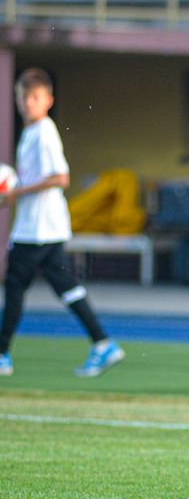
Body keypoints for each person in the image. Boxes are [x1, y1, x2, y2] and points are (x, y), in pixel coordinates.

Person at [0, 68, 125, 378]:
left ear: (48, 100)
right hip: (44, 228)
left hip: (38, 230)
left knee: (14, 286)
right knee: (66, 287)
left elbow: (60, 177)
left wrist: (15, 191)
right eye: (24, 97)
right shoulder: (31, 133)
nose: (29, 103)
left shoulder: (44, 132)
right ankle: (103, 343)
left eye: (35, 97)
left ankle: (2, 354)